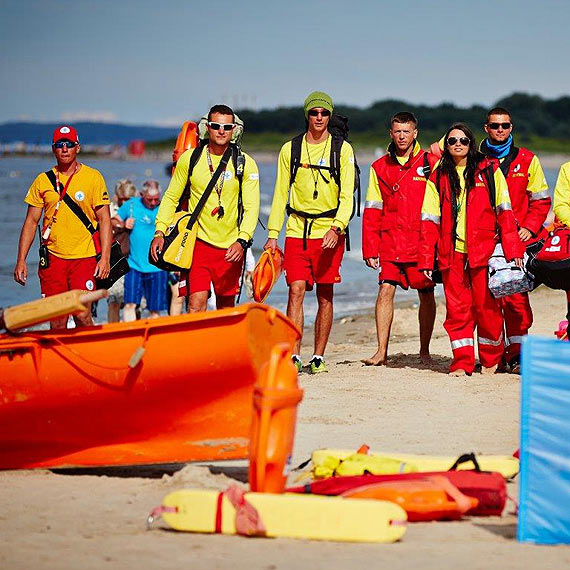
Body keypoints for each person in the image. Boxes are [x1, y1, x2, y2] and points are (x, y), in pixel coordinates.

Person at [418, 123, 524, 376]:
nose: (458, 144)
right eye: (452, 140)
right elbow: (429, 220)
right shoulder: (438, 175)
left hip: (484, 252)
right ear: (447, 145)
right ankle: (463, 361)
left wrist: (513, 250)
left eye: (463, 141)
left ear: (471, 143)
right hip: (451, 253)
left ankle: (490, 360)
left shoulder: (489, 170)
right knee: (457, 311)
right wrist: (425, 260)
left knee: (487, 309)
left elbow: (505, 212)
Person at [264, 91, 356, 374]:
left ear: (330, 116)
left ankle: (318, 357)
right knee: (296, 290)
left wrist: (337, 228)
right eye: (314, 113)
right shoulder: (289, 149)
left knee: (325, 295)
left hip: (329, 232)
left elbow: (347, 198)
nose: (319, 118)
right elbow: (280, 194)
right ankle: (294, 354)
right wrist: (272, 234)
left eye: (324, 113)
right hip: (296, 231)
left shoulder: (343, 150)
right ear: (307, 115)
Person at [150, 104, 260, 312]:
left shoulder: (245, 163)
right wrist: (160, 231)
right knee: (195, 304)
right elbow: (171, 198)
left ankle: (221, 345)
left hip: (230, 247)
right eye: (216, 125)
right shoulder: (190, 159)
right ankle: (195, 345)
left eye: (227, 127)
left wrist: (242, 240)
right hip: (196, 244)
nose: (221, 131)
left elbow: (252, 207)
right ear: (207, 127)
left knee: (226, 309)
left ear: (234, 130)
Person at [13, 125, 111, 329]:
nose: (64, 149)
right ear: (53, 149)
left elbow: (105, 220)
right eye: (60, 145)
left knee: (82, 314)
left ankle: (90, 356)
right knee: (57, 320)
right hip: (53, 259)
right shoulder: (42, 181)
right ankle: (59, 358)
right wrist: (21, 260)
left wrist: (105, 259)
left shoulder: (93, 177)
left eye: (69, 144)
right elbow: (31, 222)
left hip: (84, 258)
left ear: (78, 148)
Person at [362, 112, 438, 366]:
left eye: (407, 131)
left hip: (421, 243)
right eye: (398, 131)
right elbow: (372, 210)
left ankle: (424, 350)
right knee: (385, 289)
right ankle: (381, 351)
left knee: (426, 294)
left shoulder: (430, 162)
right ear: (391, 134)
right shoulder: (379, 167)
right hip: (391, 241)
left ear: (415, 133)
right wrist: (369, 248)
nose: (402, 136)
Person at [480, 107, 550, 373]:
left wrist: (530, 229)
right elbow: (440, 149)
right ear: (486, 128)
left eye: (505, 126)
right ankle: (493, 358)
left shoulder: (527, 159)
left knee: (516, 299)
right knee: (486, 300)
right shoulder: (473, 157)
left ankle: (517, 355)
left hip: (516, 241)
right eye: (495, 126)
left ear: (512, 128)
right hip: (484, 240)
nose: (500, 130)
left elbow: (541, 199)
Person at [115, 180, 167, 321]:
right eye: (149, 199)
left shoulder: (165, 206)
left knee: (155, 310)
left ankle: (153, 339)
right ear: (141, 194)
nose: (153, 203)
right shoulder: (131, 205)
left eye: (156, 199)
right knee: (130, 304)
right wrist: (123, 223)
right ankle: (130, 334)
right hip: (134, 265)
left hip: (157, 267)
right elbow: (113, 221)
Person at [107, 179, 137, 322]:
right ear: (117, 197)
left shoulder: (137, 208)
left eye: (128, 199)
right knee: (114, 301)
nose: (124, 202)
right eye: (122, 199)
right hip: (115, 260)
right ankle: (112, 330)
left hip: (133, 260)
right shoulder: (110, 210)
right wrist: (121, 224)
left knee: (134, 303)